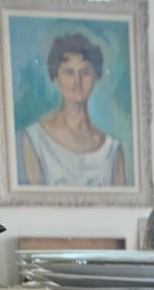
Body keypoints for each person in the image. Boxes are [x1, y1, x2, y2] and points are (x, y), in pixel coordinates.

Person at [19, 32, 126, 188]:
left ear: (96, 77)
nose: (77, 82)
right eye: (69, 72)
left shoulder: (112, 149)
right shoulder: (35, 138)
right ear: (55, 77)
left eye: (85, 73)